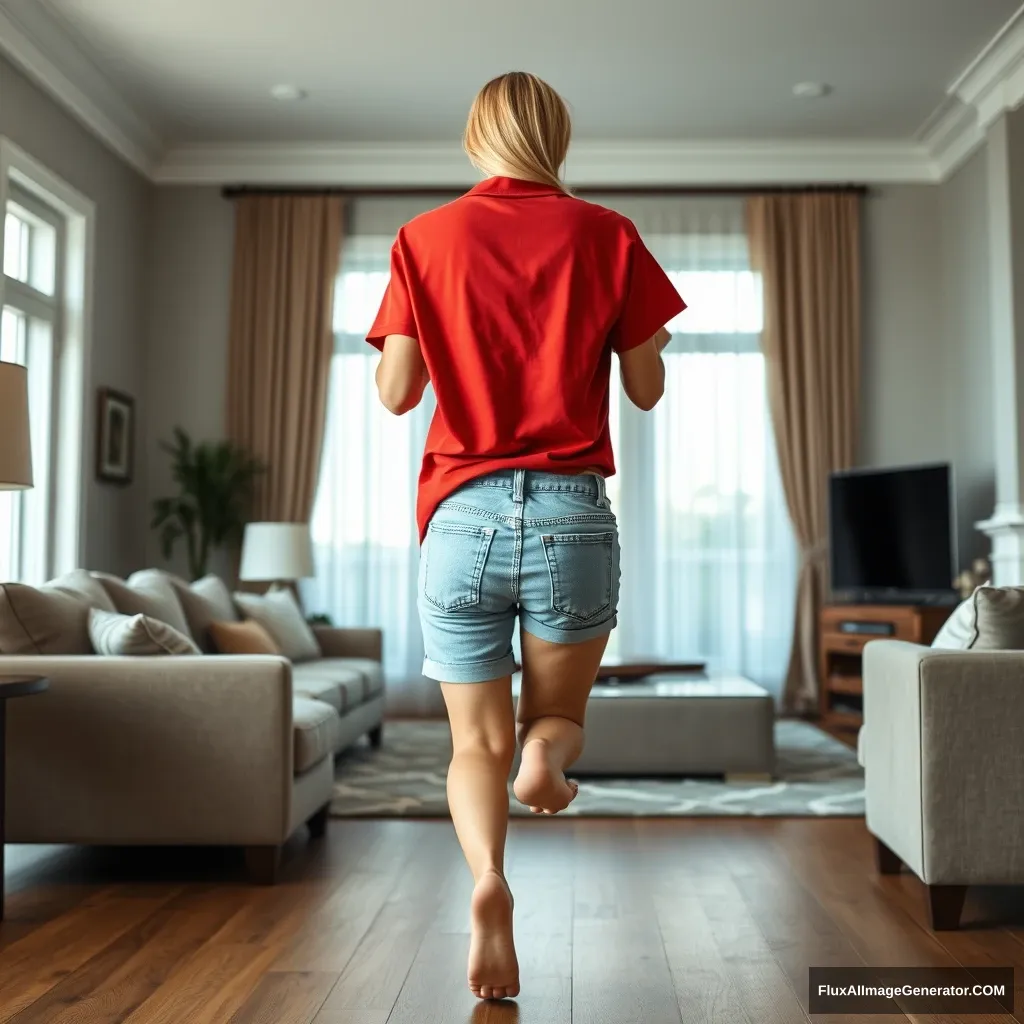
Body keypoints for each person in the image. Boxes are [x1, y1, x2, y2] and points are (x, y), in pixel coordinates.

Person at [367, 71, 685, 1002]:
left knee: (473, 744)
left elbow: (395, 396)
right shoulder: (609, 235)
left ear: (475, 139)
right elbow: (645, 389)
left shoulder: (423, 239)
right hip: (570, 512)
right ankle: (549, 756)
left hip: (461, 515)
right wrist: (636, 342)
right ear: (557, 137)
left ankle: (487, 882)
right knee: (554, 721)